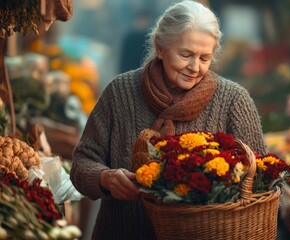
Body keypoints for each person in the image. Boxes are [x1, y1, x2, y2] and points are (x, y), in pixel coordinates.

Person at [70, 1, 268, 239]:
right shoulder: (119, 93)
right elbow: (82, 163)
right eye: (186, 55)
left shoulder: (234, 101)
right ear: (160, 47)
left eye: (205, 58)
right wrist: (105, 178)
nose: (194, 67)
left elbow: (262, 181)